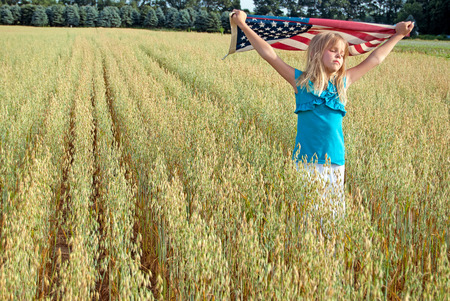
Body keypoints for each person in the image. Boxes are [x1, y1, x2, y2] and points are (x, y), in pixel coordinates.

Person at [231, 10, 414, 218]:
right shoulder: (301, 82)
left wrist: (398, 34)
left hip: (335, 161)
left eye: (342, 53)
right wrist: (244, 26)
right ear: (317, 53)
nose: (339, 56)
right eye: (333, 50)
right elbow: (269, 54)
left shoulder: (343, 83)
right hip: (305, 162)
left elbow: (375, 59)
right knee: (306, 214)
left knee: (332, 216)